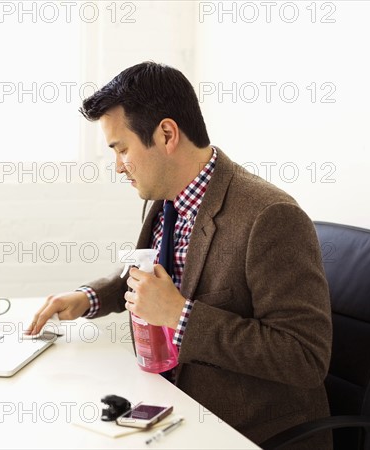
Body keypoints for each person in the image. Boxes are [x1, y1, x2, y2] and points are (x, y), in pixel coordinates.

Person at [27, 62, 332, 449]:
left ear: (167, 134)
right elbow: (152, 277)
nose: (118, 167)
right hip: (168, 406)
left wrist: (178, 315)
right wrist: (89, 298)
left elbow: (304, 356)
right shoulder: (164, 199)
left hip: (243, 430)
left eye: (122, 149)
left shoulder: (269, 216)